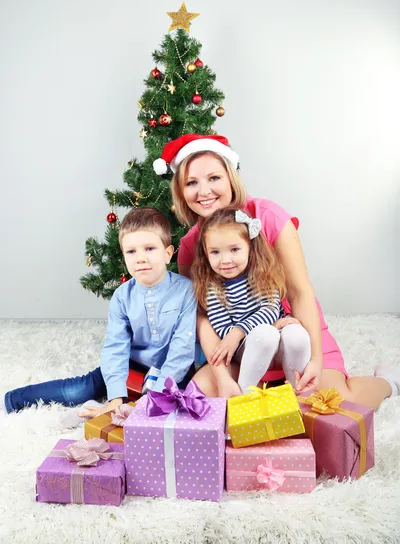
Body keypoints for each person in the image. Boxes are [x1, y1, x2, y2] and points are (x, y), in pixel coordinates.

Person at [153, 132, 399, 409]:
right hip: (242, 348)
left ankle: (387, 382)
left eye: (214, 178)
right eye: (191, 183)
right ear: (181, 192)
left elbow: (299, 291)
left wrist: (315, 359)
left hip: (295, 334)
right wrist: (221, 375)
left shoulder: (268, 216)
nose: (204, 191)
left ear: (230, 178)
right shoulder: (189, 246)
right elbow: (200, 316)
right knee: (202, 401)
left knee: (330, 407)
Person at [1, 207, 196, 421]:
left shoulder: (186, 291)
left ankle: (128, 404)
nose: (140, 258)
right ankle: (12, 399)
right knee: (80, 389)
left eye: (149, 248)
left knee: (178, 403)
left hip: (170, 371)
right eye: (131, 252)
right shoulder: (122, 296)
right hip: (131, 366)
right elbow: (115, 346)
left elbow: (182, 350)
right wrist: (115, 396)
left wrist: (153, 396)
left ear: (168, 254)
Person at [190, 206, 311, 394]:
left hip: (273, 338)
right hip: (247, 347)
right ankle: (244, 394)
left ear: (249, 248)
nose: (225, 260)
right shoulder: (211, 287)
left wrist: (241, 330)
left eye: (234, 250)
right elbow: (222, 329)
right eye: (215, 252)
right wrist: (242, 333)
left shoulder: (262, 274)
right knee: (266, 334)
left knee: (298, 335)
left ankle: (297, 390)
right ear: (205, 253)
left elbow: (269, 310)